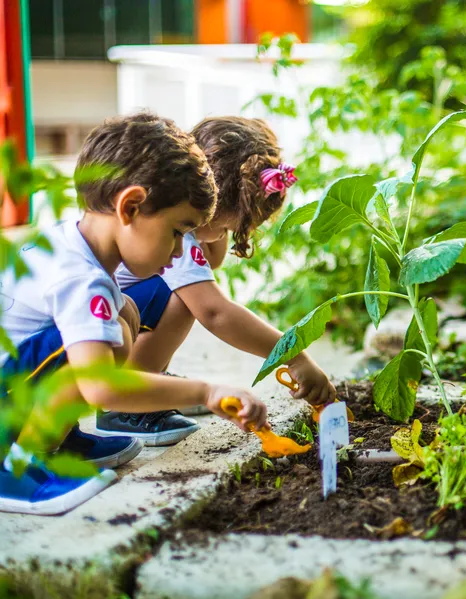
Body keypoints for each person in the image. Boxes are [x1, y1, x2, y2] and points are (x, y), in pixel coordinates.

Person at [0, 113, 268, 515]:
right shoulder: (80, 280)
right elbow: (101, 387)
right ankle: (17, 467)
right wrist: (206, 392)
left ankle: (57, 438)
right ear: (131, 207)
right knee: (93, 348)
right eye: (178, 231)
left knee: (123, 313)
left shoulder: (70, 239)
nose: (180, 251)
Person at [98, 116, 335, 446]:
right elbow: (215, 313)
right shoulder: (173, 238)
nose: (229, 236)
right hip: (96, 339)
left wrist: (218, 225)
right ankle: (127, 401)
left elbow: (214, 260)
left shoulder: (182, 227)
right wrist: (296, 356)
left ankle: (152, 383)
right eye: (228, 228)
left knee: (187, 291)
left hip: (112, 324)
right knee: (186, 299)